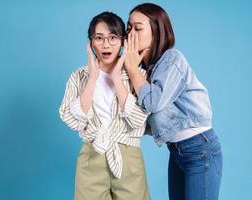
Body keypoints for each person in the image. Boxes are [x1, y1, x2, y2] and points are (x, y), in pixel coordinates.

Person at [123, 3, 223, 200]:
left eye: (138, 27)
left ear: (156, 30)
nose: (131, 34)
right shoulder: (144, 70)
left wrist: (132, 69)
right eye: (129, 27)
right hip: (177, 152)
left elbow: (152, 102)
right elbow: (139, 116)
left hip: (199, 150)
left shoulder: (171, 59)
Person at [59, 11, 151, 200]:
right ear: (91, 42)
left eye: (113, 37)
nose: (106, 44)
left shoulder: (136, 74)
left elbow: (138, 120)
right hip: (92, 154)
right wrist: (92, 79)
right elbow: (72, 120)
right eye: (99, 38)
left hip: (128, 156)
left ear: (123, 41)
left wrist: (117, 77)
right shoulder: (79, 77)